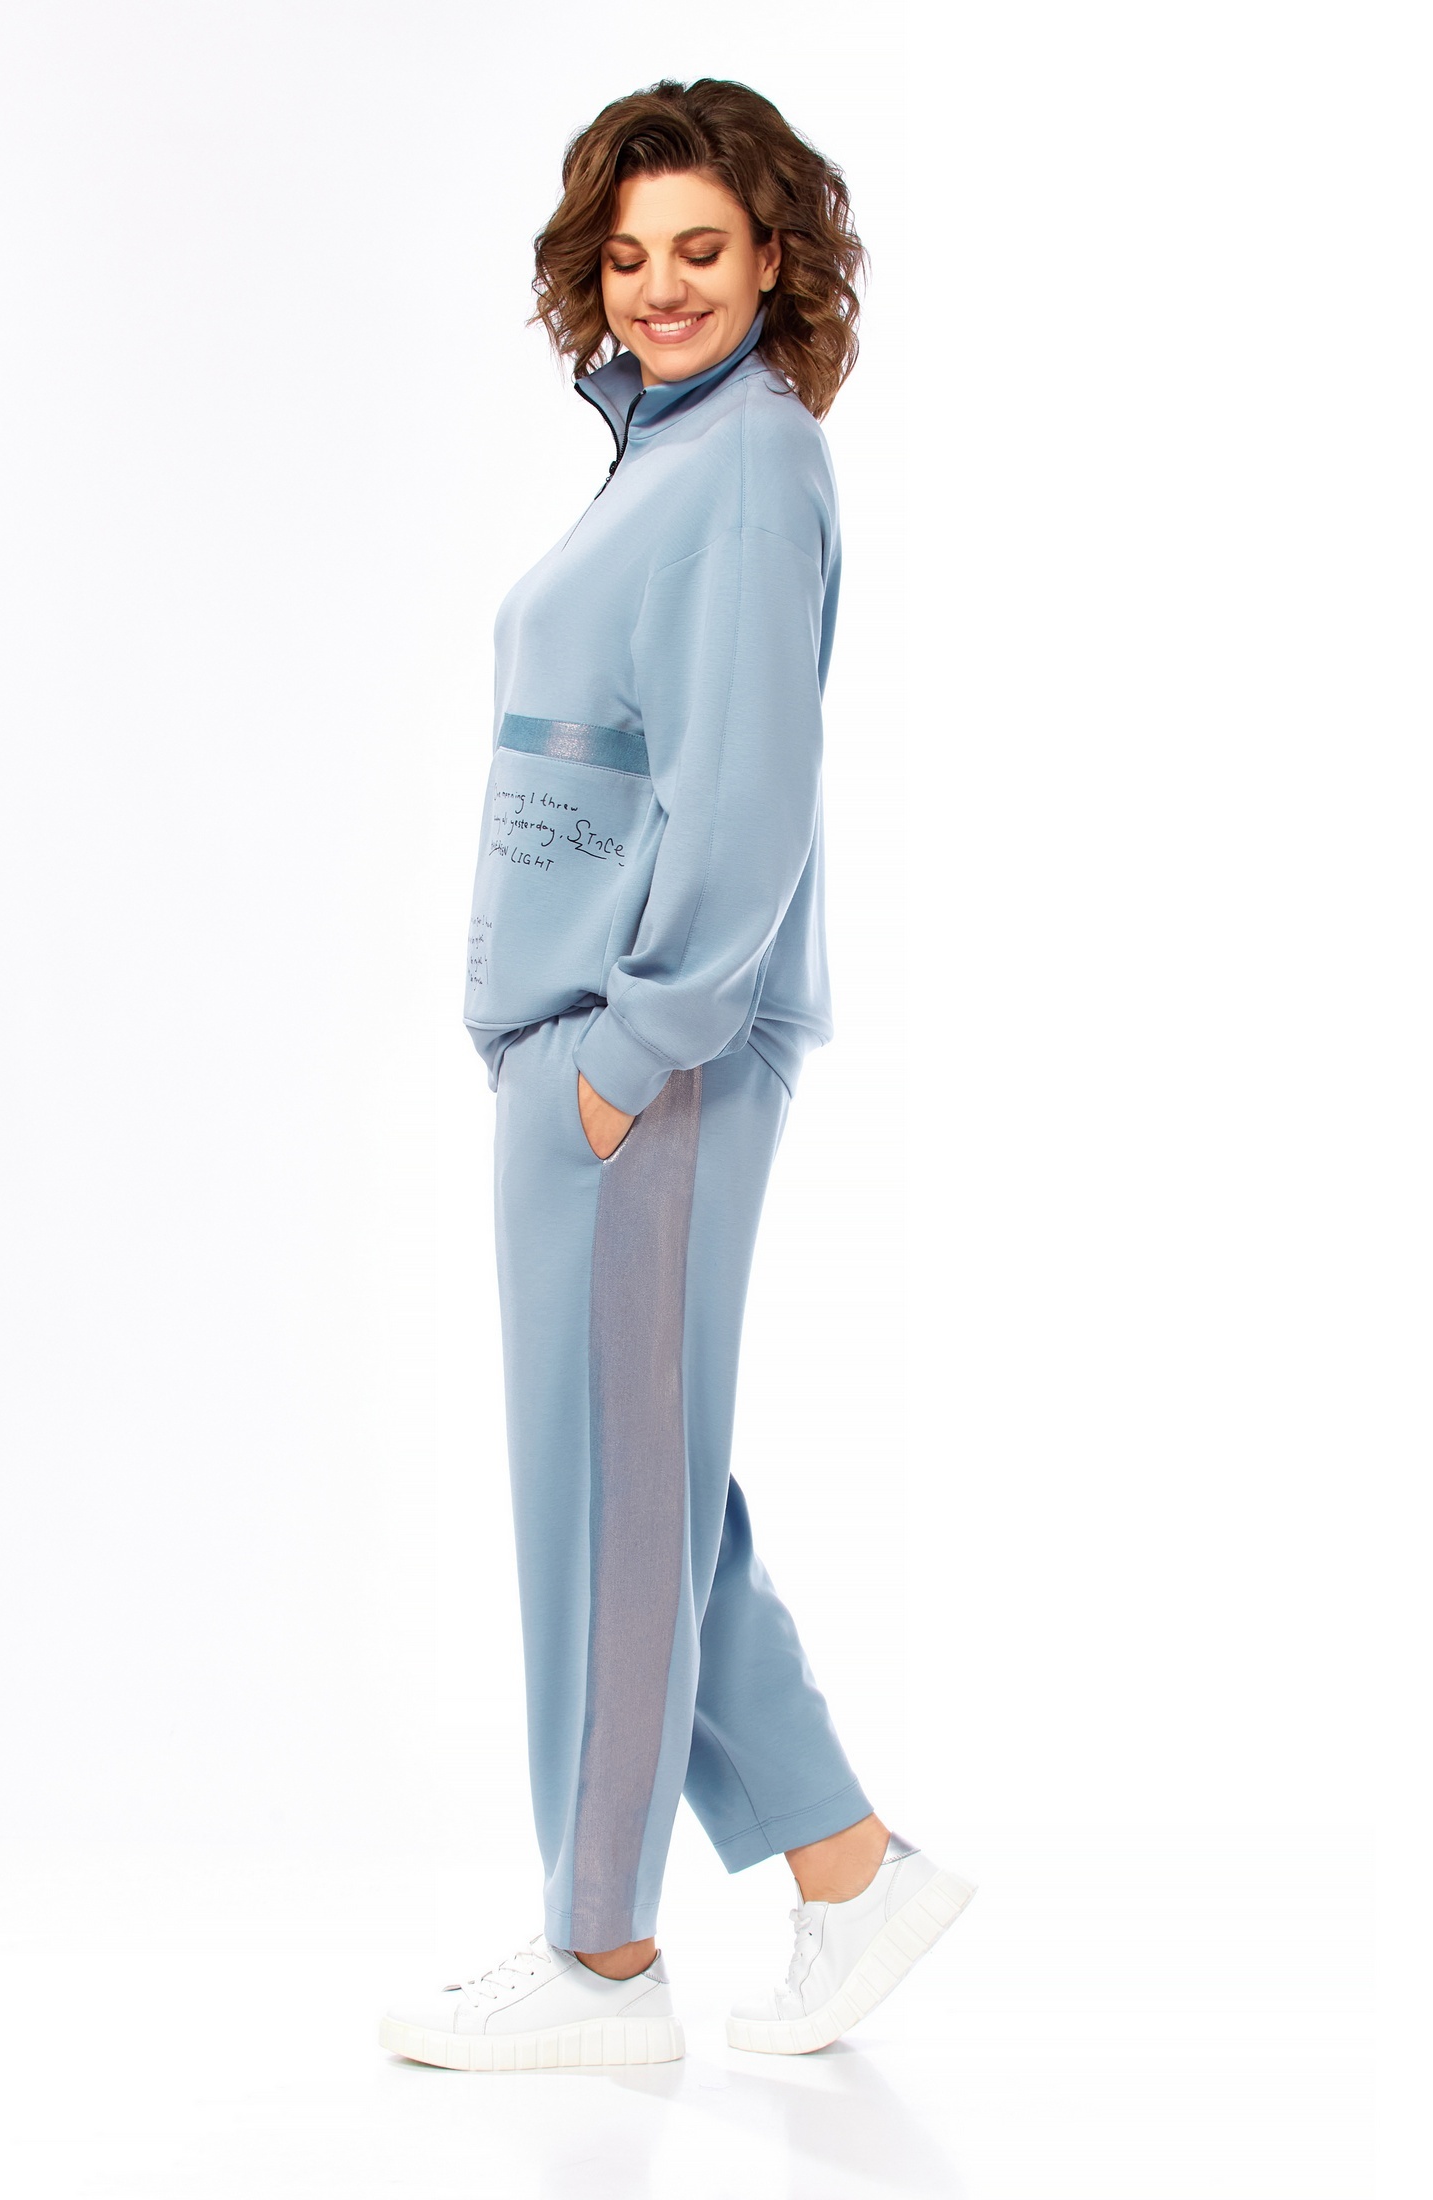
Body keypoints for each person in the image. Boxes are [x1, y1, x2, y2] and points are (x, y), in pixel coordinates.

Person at [380, 76, 972, 2073]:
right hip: (596, 1048)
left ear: (774, 256)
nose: (659, 287)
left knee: (609, 1497)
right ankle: (848, 1872)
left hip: (646, 1052)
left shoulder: (747, 462)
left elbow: (746, 791)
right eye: (628, 255)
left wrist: (629, 1054)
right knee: (641, 1481)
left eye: (699, 249)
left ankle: (603, 1958)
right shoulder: (670, 448)